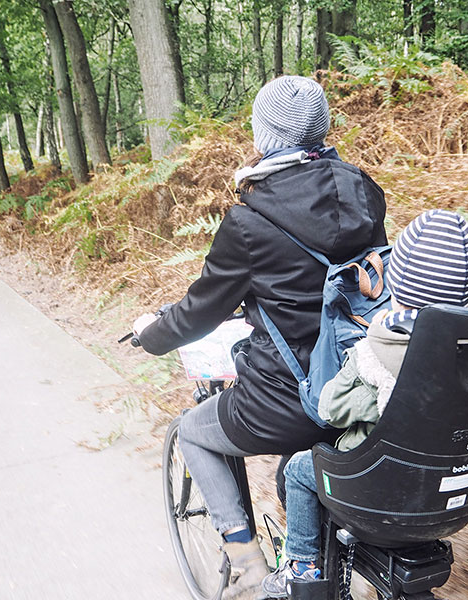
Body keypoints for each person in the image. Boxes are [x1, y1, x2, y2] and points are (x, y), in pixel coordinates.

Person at [132, 75, 388, 599]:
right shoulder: (365, 191)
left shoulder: (249, 221)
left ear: (263, 135)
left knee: (192, 433)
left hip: (284, 399)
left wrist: (149, 336)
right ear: (322, 129)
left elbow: (199, 312)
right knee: (305, 462)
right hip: (356, 386)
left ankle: (248, 566)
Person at [258, 209, 468, 598]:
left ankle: (302, 568)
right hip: (447, 496)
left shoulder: (376, 349)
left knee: (298, 470)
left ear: (399, 281)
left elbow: (329, 407)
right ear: (465, 290)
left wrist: (371, 398)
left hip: (375, 490)